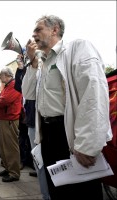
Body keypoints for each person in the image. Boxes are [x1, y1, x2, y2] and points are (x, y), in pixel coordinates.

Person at [22, 15, 112, 200]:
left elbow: (93, 96)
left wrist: (87, 144)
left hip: (69, 133)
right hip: (48, 136)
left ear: (55, 29)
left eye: (38, 29)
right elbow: (28, 93)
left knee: (82, 192)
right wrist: (32, 63)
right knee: (58, 191)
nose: (33, 34)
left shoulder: (77, 48)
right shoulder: (42, 63)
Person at [15, 54, 50, 200]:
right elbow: (20, 88)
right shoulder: (29, 69)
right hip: (32, 120)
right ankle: (45, 194)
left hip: (46, 119)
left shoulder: (47, 68)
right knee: (39, 159)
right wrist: (22, 67)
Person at [0, 67, 22, 182]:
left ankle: (14, 173)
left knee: (10, 147)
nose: (0, 78)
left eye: (1, 75)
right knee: (3, 147)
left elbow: (4, 101)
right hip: (4, 119)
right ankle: (8, 168)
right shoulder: (6, 86)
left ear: (7, 75)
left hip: (10, 119)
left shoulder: (14, 85)